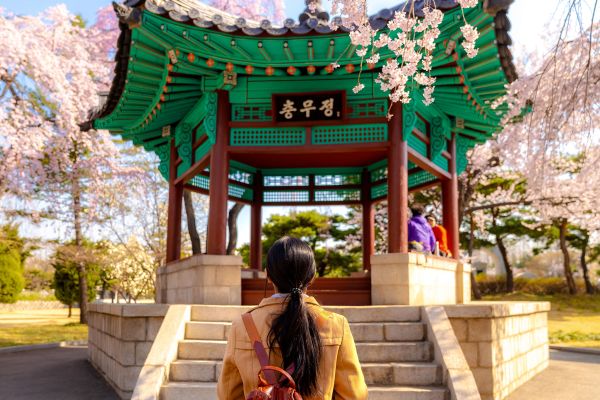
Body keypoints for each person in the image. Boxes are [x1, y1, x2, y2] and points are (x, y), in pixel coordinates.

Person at [217, 236, 368, 400]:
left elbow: (229, 394)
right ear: (312, 276)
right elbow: (353, 395)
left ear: (268, 275)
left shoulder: (242, 325)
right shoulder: (336, 325)